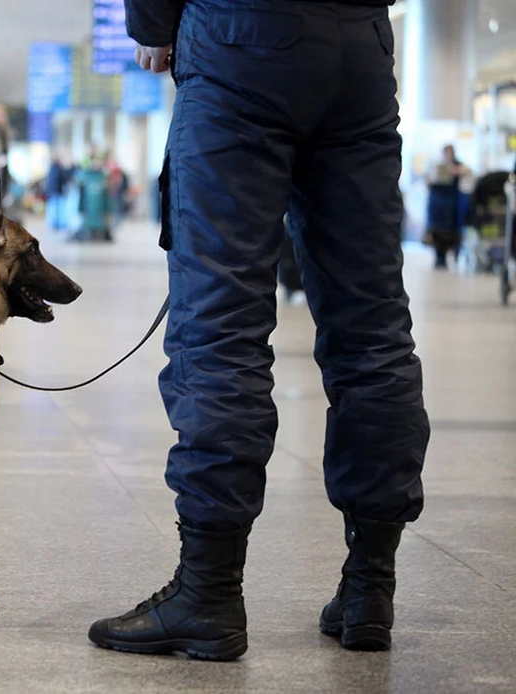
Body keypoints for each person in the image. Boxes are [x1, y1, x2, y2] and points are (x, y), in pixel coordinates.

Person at [88, 0, 430, 660]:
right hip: (361, 49)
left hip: (239, 40)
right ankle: (370, 589)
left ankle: (208, 594)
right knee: (374, 323)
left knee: (221, 322)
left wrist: (156, 29)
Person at [426, 144, 471, 270]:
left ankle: (448, 256)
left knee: (450, 232)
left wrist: (455, 170)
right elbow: (428, 181)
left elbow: (468, 171)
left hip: (450, 204)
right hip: (437, 204)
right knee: (436, 231)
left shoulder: (459, 165)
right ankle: (439, 257)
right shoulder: (436, 165)